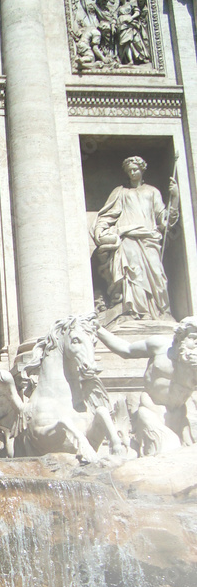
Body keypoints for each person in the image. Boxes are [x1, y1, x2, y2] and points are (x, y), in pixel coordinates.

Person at [93, 155, 179, 321]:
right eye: (129, 170)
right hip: (128, 238)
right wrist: (100, 230)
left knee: (157, 275)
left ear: (142, 169)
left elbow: (165, 221)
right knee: (133, 275)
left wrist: (174, 197)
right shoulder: (121, 192)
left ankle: (159, 312)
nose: (132, 172)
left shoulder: (152, 191)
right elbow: (108, 214)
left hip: (149, 238)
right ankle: (137, 312)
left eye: (135, 169)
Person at [97, 318, 197, 452]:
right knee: (168, 448)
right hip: (151, 410)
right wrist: (98, 330)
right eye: (193, 337)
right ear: (180, 337)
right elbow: (126, 350)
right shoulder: (160, 346)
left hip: (179, 417)